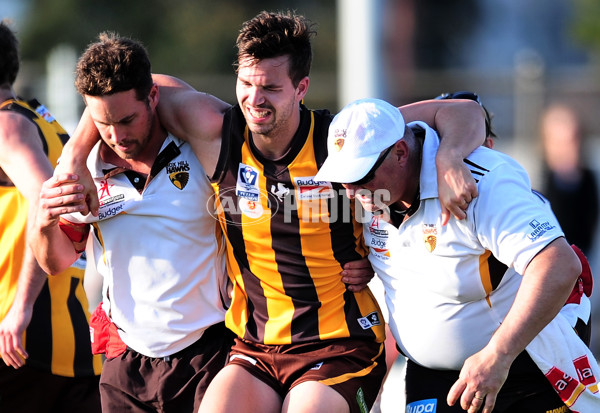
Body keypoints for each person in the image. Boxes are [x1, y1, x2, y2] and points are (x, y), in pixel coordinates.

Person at [54, 11, 487, 413]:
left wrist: (448, 158)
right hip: (255, 347)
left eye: (271, 88)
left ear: (301, 88)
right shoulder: (215, 132)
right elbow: (131, 93)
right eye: (246, 83)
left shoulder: (338, 144)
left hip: (339, 343)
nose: (254, 99)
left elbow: (462, 111)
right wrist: (75, 155)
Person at [314, 97, 600, 413]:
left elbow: (559, 266)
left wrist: (498, 355)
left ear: (400, 152)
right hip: (428, 379)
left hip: (514, 371)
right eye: (344, 179)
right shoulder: (370, 191)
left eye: (362, 176)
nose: (352, 191)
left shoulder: (480, 182)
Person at [30, 32, 235, 413]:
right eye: (103, 123)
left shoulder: (198, 145)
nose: (117, 135)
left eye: (128, 119)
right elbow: (56, 262)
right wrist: (42, 223)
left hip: (210, 350)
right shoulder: (84, 169)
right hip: (127, 364)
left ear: (153, 97)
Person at [0, 20, 102, 412]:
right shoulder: (38, 116)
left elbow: (51, 208)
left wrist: (21, 306)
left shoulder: (7, 126)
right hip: (63, 335)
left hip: (20, 337)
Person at [539, 102, 599, 257]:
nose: (567, 149)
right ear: (546, 144)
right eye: (559, 142)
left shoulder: (593, 184)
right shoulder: (533, 188)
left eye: (572, 140)